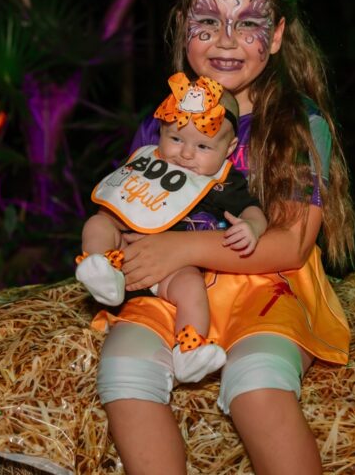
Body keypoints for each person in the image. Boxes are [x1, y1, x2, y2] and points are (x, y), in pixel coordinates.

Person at [91, 0, 355, 475]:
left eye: (247, 23)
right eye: (208, 21)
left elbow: (290, 244)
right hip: (172, 288)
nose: (226, 40)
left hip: (267, 286)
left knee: (257, 384)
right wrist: (117, 249)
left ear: (277, 35)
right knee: (122, 370)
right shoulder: (163, 121)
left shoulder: (296, 124)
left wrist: (179, 246)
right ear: (183, 28)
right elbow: (132, 212)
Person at [76, 74, 268, 383]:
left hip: (171, 273)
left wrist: (252, 227)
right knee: (98, 223)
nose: (186, 154)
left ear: (229, 147)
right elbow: (114, 205)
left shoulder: (221, 183)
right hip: (122, 257)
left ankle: (189, 349)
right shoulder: (147, 161)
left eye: (203, 146)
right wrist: (111, 242)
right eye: (176, 139)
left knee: (191, 287)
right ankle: (99, 268)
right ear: (160, 132)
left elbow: (252, 210)